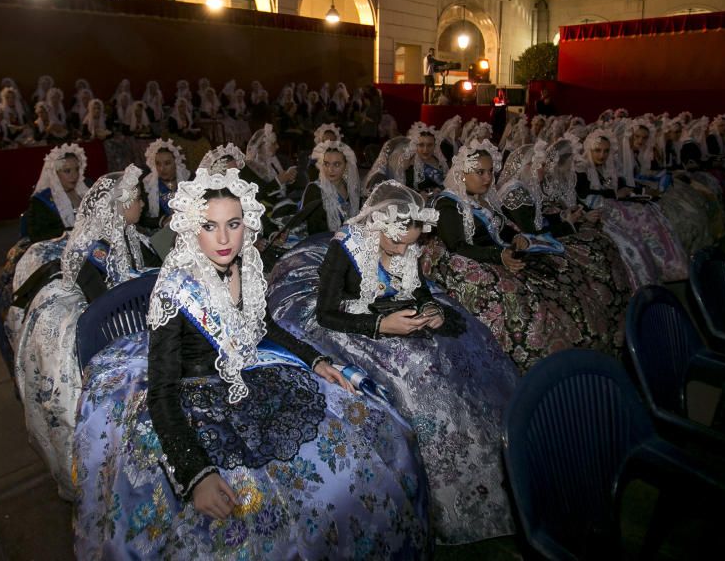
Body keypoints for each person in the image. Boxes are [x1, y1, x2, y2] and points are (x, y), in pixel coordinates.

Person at [73, 168, 431, 559]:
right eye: (210, 226)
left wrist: (314, 359)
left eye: (234, 224)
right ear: (192, 227)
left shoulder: (245, 264)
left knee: (371, 427)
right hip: (195, 395)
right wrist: (196, 474)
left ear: (248, 224)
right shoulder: (175, 289)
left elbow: (262, 326)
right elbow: (162, 391)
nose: (224, 239)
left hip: (254, 371)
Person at [269, 180, 519, 543]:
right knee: (416, 368)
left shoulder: (406, 245)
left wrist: (429, 308)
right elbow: (325, 313)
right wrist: (378, 325)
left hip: (394, 311)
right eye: (397, 243)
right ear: (379, 225)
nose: (404, 250)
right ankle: (435, 488)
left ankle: (499, 464)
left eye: (411, 244)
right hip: (350, 318)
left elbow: (417, 289)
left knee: (459, 344)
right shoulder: (347, 248)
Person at [13, 166, 158, 499]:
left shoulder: (128, 234)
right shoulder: (95, 250)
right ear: (121, 204)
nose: (142, 203)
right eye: (136, 197)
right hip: (94, 327)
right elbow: (104, 302)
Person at [424, 142, 623, 372]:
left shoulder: (483, 198)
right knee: (526, 300)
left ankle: (584, 347)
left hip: (502, 255)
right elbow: (457, 246)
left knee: (561, 276)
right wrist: (500, 255)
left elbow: (500, 228)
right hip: (475, 263)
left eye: (490, 172)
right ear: (462, 173)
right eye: (480, 172)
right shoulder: (448, 203)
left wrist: (519, 239)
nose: (488, 178)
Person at [0, 144, 90, 377]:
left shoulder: (84, 192)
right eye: (67, 171)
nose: (73, 175)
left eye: (76, 169)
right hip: (55, 250)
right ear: (54, 174)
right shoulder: (43, 201)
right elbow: (40, 236)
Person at [575, 129, 688, 290]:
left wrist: (640, 193)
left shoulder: (607, 167)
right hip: (602, 210)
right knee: (639, 217)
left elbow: (622, 186)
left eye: (606, 151)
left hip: (616, 204)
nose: (602, 155)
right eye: (597, 150)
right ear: (588, 150)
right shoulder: (581, 169)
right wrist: (614, 194)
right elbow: (584, 194)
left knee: (649, 211)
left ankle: (668, 265)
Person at [300, 139, 360, 235]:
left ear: (346, 166)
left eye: (336, 164)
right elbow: (313, 230)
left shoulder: (351, 189)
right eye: (326, 164)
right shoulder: (315, 190)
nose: (330, 169)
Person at [141, 138, 190, 229]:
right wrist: (162, 221)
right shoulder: (148, 186)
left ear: (176, 163)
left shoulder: (188, 180)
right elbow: (142, 218)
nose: (162, 169)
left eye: (167, 163)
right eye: (158, 164)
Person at [400, 121, 448, 195]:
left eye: (430, 145)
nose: (425, 150)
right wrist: (419, 194)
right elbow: (404, 189)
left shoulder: (440, 161)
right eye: (421, 145)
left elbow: (447, 181)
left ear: (435, 145)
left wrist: (440, 189)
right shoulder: (410, 165)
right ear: (415, 145)